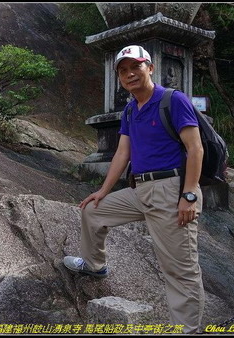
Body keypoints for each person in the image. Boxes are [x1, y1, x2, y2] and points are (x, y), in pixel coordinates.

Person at [63, 45, 205, 334]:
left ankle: (188, 330)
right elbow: (122, 153)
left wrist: (189, 195)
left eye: (135, 67)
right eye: (123, 70)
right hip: (140, 190)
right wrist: (103, 191)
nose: (130, 74)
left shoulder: (172, 100)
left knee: (180, 271)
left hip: (170, 189)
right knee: (92, 210)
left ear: (150, 68)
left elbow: (195, 148)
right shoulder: (130, 108)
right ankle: (94, 265)